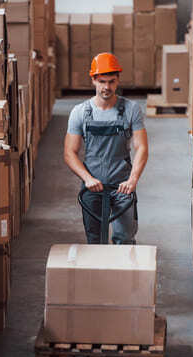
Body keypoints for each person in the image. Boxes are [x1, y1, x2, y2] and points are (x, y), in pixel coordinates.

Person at [64, 52, 149, 244]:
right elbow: (70, 153)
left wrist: (132, 180)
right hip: (92, 186)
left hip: (123, 186)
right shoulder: (80, 112)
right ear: (93, 79)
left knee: (125, 239)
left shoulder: (131, 109)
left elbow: (141, 147)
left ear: (118, 80)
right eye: (102, 81)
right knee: (94, 241)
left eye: (111, 81)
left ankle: (126, 273)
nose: (107, 87)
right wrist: (87, 178)